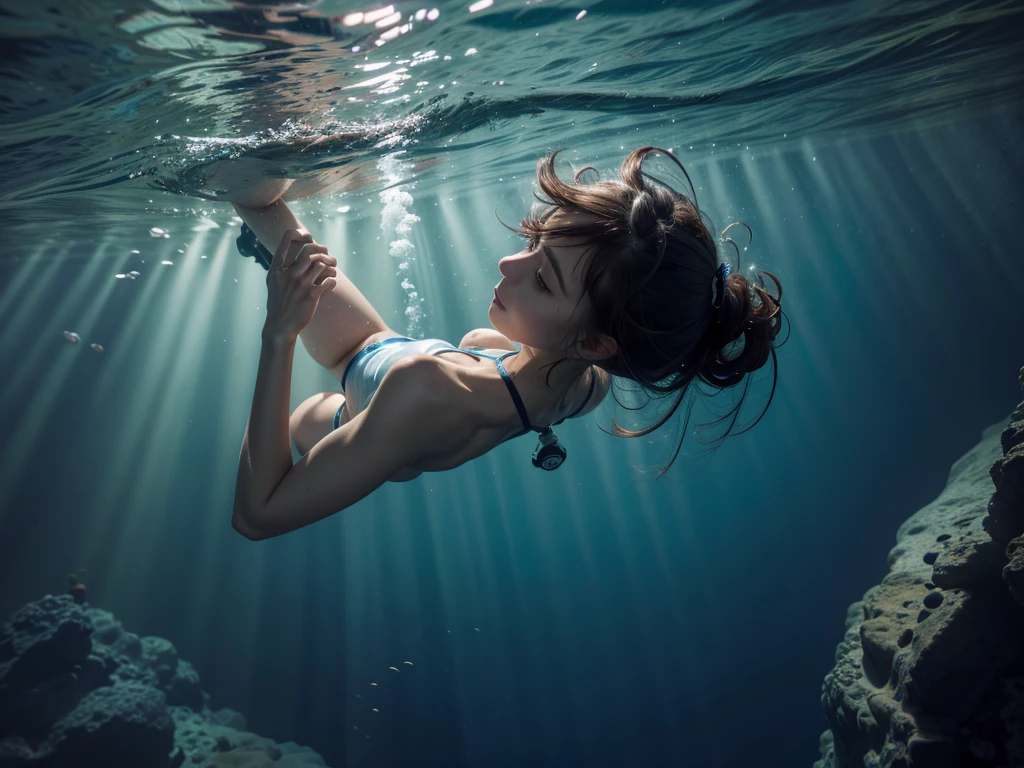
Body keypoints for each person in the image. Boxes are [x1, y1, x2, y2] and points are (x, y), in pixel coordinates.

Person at [227, 146, 784, 540]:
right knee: (476, 338)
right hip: (384, 356)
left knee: (251, 196)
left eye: (542, 278)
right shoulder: (580, 386)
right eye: (534, 240)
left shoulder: (424, 389)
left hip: (358, 411)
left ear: (594, 341)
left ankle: (273, 259)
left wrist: (280, 330)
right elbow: (603, 366)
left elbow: (256, 517)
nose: (507, 262)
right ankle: (272, 250)